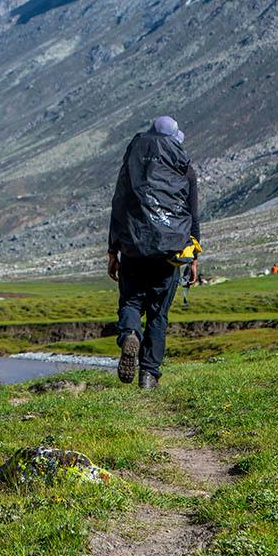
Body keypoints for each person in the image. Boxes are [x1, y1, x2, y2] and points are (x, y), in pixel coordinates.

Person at [107, 115, 201, 390]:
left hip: (134, 250)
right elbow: (192, 216)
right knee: (159, 314)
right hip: (169, 252)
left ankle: (129, 336)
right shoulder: (185, 169)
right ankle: (149, 375)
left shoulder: (131, 167)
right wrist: (193, 257)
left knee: (131, 302)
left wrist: (113, 251)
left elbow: (118, 208)